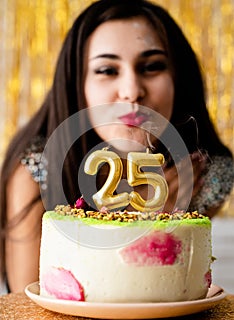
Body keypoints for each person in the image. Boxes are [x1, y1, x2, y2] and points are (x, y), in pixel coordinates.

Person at [0, 0, 233, 294]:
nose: (132, 90)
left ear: (178, 78)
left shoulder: (206, 172)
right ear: (78, 84)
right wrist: (146, 220)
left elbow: (173, 290)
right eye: (107, 69)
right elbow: (27, 308)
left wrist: (167, 223)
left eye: (152, 66)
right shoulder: (38, 168)